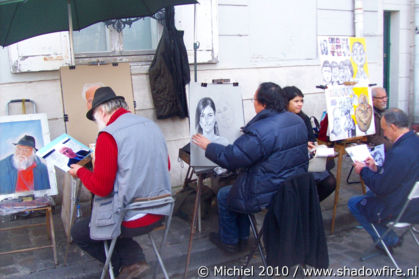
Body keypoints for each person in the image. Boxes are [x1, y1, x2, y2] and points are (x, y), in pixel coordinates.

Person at [192, 82, 308, 253]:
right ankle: (244, 237)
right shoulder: (296, 120)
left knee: (225, 195)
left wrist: (208, 146)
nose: (253, 103)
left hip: (269, 192)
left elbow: (232, 158)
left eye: (254, 99)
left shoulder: (261, 130)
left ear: (263, 104)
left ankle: (230, 241)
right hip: (293, 188)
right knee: (237, 188)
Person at [69, 87, 171, 278]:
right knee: (111, 216)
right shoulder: (151, 126)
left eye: (94, 117)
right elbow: (166, 166)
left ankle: (122, 267)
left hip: (132, 218)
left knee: (80, 231)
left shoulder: (108, 135)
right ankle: (134, 259)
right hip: (160, 212)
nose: (96, 122)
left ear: (101, 111)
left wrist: (81, 172)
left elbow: (101, 187)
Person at [348, 108, 419, 250]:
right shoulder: (414, 142)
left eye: (384, 130)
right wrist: (375, 168)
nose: (384, 134)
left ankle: (388, 240)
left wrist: (363, 170)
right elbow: (395, 175)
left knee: (354, 203)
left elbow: (380, 187)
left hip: (401, 208)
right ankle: (386, 237)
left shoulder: (399, 152)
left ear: (393, 127)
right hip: (413, 202)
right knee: (368, 196)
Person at [282, 86, 336, 202]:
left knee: (330, 182)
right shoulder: (279, 120)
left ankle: (310, 206)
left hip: (307, 159)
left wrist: (314, 146)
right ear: (286, 102)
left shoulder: (304, 118)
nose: (300, 104)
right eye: (296, 101)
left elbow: (311, 138)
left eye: (301, 101)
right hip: (289, 163)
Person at [367, 87, 392, 151]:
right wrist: (391, 146)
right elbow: (372, 138)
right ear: (372, 99)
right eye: (381, 98)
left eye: (385, 97)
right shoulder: (368, 114)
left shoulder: (386, 112)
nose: (385, 100)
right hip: (376, 148)